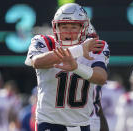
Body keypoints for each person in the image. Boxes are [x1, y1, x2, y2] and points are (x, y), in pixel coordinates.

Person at [25, 3, 110, 131]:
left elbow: (101, 78)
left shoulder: (96, 46)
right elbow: (37, 62)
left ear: (84, 28)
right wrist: (79, 50)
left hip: (81, 124)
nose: (69, 31)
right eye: (64, 26)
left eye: (74, 26)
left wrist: (76, 67)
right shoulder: (44, 42)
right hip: (48, 122)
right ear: (56, 27)